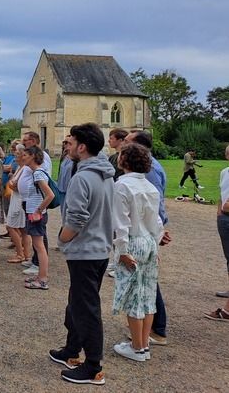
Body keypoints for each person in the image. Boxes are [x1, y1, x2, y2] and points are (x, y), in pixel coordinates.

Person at [50, 123, 114, 385]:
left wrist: (62, 239)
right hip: (97, 249)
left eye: (71, 142)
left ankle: (93, 366)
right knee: (77, 302)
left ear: (82, 147)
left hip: (86, 251)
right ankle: (71, 349)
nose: (68, 147)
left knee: (86, 308)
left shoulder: (83, 178)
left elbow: (75, 219)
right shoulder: (105, 175)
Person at [111, 143, 163, 361]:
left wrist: (122, 250)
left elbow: (121, 223)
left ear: (124, 161)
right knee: (147, 293)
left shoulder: (122, 186)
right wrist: (156, 243)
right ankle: (142, 345)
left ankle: (136, 347)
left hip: (132, 242)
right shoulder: (150, 187)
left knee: (134, 295)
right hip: (149, 241)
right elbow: (155, 221)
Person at [126, 130, 171, 346]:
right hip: (150, 231)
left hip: (144, 233)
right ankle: (145, 333)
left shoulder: (148, 170)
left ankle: (155, 330)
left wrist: (157, 233)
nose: (123, 144)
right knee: (145, 282)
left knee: (145, 284)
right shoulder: (146, 167)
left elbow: (152, 204)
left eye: (127, 142)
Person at [22, 146, 55, 290]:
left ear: (33, 156)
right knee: (38, 246)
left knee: (39, 247)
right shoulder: (36, 173)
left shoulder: (38, 173)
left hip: (36, 215)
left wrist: (38, 211)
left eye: (25, 155)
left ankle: (42, 279)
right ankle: (41, 276)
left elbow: (50, 195)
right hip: (34, 213)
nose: (23, 157)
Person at [204, 144, 229, 320]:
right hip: (225, 219)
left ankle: (227, 312)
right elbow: (222, 193)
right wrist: (220, 211)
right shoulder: (224, 172)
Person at [5, 144, 29, 264]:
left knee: (11, 226)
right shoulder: (20, 168)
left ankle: (20, 253)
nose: (15, 157)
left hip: (18, 201)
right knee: (22, 229)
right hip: (16, 199)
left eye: (17, 155)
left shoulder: (24, 169)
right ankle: (26, 254)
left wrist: (11, 183)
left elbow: (16, 185)